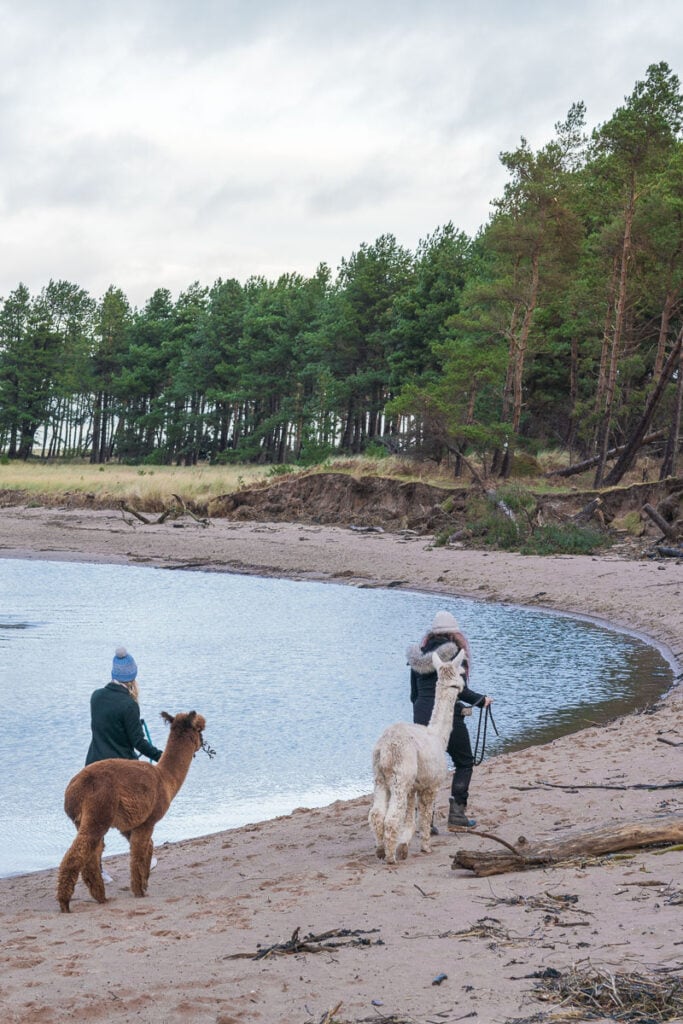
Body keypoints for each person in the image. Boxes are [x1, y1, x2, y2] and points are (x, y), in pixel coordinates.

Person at [406, 610, 493, 830]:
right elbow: (460, 690)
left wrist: (422, 713)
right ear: (455, 634)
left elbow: (413, 695)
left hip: (421, 721)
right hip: (447, 719)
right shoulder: (455, 655)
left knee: (425, 769)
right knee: (464, 762)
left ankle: (426, 820)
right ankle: (457, 815)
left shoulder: (419, 657)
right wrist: (482, 700)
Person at [86, 647, 163, 881]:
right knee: (136, 817)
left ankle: (97, 869)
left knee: (96, 824)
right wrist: (163, 757)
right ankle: (143, 860)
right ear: (132, 677)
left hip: (92, 766)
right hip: (119, 772)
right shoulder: (129, 705)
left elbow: (103, 732)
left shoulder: (96, 697)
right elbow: (138, 743)